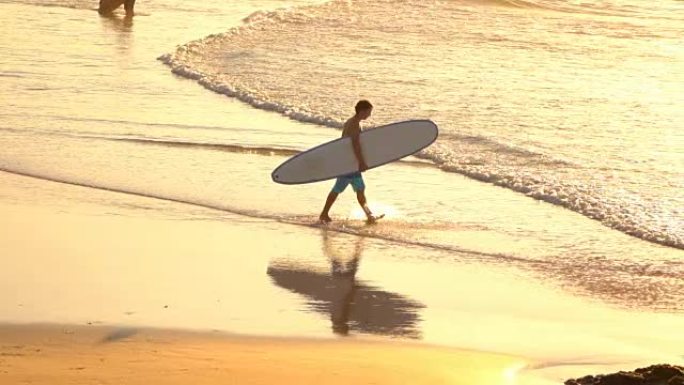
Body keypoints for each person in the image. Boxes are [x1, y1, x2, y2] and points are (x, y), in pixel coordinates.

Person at [319, 100, 379, 224]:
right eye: (368, 112)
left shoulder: (352, 122)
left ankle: (369, 214)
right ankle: (324, 214)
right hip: (349, 164)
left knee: (359, 188)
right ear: (362, 111)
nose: (369, 115)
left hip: (349, 163)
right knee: (339, 189)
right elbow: (355, 145)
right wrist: (361, 162)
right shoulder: (354, 124)